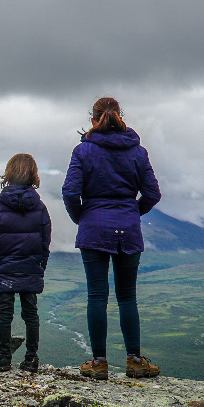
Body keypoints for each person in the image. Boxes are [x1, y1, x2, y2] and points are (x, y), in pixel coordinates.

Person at [62, 97, 161, 380]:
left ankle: (99, 363)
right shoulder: (138, 152)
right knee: (127, 296)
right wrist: (132, 212)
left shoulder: (83, 151)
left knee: (97, 295)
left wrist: (82, 217)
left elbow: (70, 192)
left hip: (94, 228)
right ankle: (135, 361)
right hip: (128, 228)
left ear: (94, 119)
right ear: (120, 117)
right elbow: (152, 194)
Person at [0, 153, 51, 373]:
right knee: (30, 312)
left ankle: (4, 360)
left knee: (4, 312)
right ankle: (31, 359)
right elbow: (45, 240)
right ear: (33, 174)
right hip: (30, 265)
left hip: (3, 266)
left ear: (9, 173)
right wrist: (40, 265)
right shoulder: (40, 207)